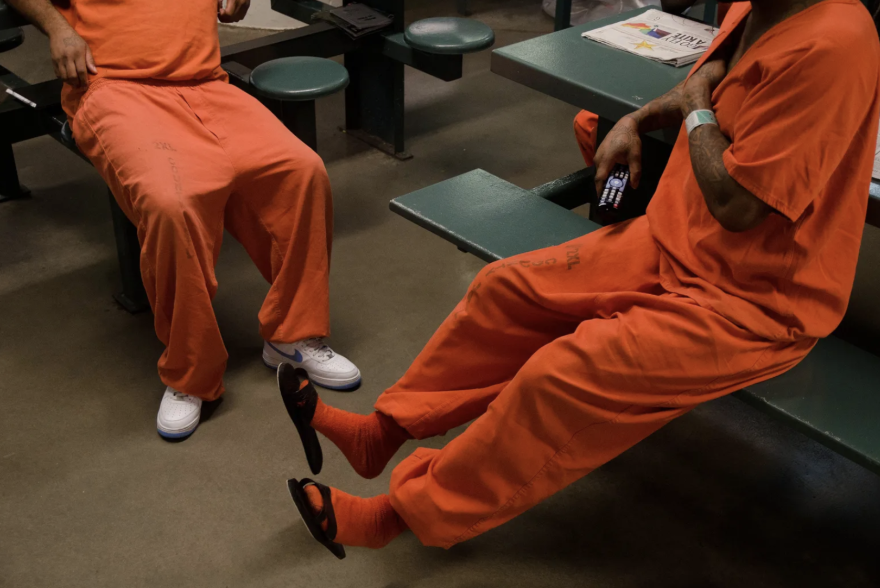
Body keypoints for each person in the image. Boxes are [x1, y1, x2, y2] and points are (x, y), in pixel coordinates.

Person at [278, 0, 880, 558]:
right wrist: (635, 122)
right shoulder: (755, 8)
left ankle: (399, 515)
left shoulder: (836, 45)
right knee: (504, 292)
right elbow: (702, 88)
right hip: (674, 238)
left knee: (562, 373)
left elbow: (739, 205)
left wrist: (695, 107)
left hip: (753, 300)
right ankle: (381, 434)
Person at [8, 0, 362, 439]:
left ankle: (293, 336)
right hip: (114, 87)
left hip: (206, 82)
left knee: (301, 172)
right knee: (170, 203)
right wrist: (57, 27)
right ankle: (191, 374)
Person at [574, 0, 732, 169]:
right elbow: (720, 56)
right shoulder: (742, 13)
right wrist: (634, 119)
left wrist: (696, 100)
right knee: (589, 122)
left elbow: (730, 191)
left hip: (718, 119)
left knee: (596, 126)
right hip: (704, 90)